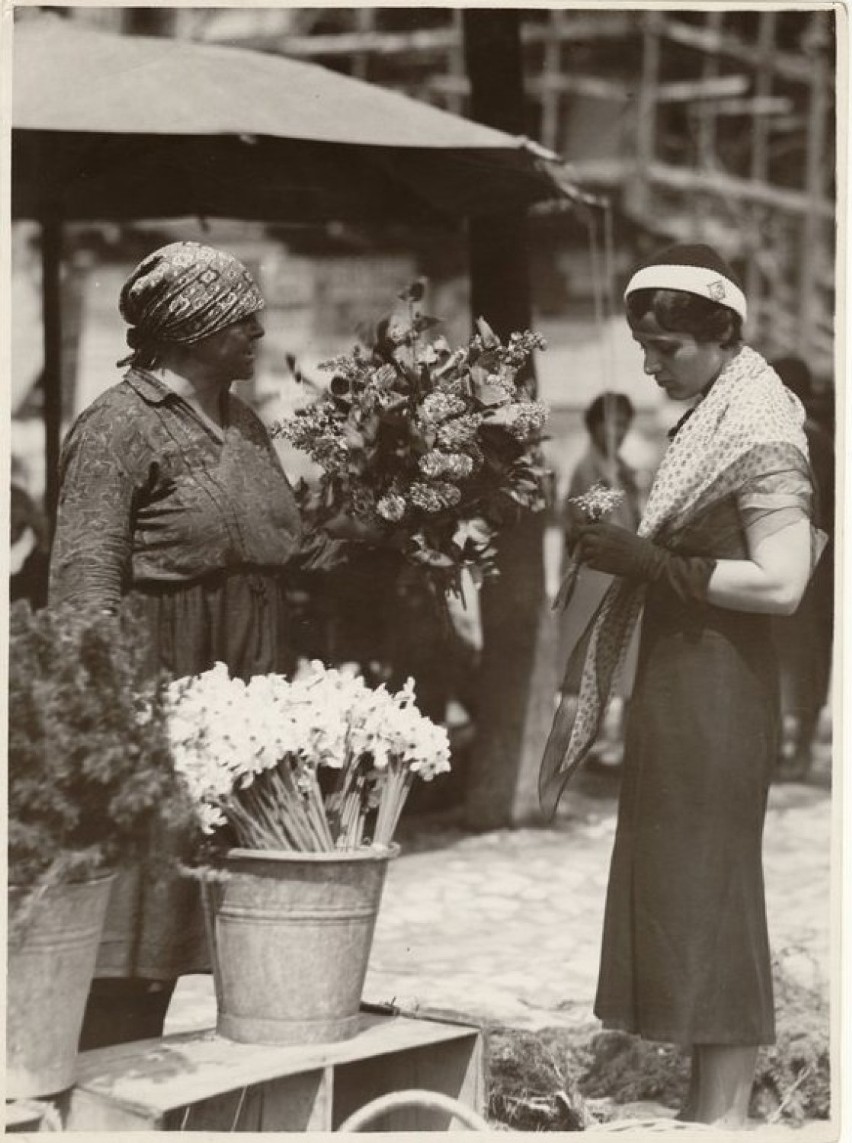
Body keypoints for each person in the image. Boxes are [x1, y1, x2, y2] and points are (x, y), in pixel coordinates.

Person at [49, 241, 367, 1049]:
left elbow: (284, 543)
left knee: (211, 898)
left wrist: (388, 529)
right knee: (138, 906)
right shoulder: (116, 428)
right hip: (160, 679)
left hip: (246, 681)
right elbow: (85, 582)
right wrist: (114, 715)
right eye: (241, 318)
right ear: (192, 330)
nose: (258, 331)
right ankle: (94, 1070)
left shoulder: (244, 423)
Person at [540, 244, 824, 1127]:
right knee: (686, 888)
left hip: (720, 684)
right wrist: (629, 538)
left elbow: (784, 581)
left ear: (725, 333)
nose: (652, 362)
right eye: (644, 345)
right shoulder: (713, 413)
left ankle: (727, 1112)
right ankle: (709, 1104)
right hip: (684, 674)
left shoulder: (762, 425)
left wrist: (654, 557)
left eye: (668, 347)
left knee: (716, 887)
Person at [556, 393, 642, 768]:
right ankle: (570, 749)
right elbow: (589, 528)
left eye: (624, 424)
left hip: (620, 576)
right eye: (612, 422)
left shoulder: (619, 467)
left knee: (622, 665)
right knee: (583, 665)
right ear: (594, 425)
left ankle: (611, 746)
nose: (619, 431)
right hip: (593, 576)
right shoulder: (588, 469)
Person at [769, 356, 834, 780]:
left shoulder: (811, 442)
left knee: (802, 660)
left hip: (811, 563)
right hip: (801, 563)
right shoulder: (807, 439)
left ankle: (800, 749)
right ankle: (785, 747)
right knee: (790, 658)